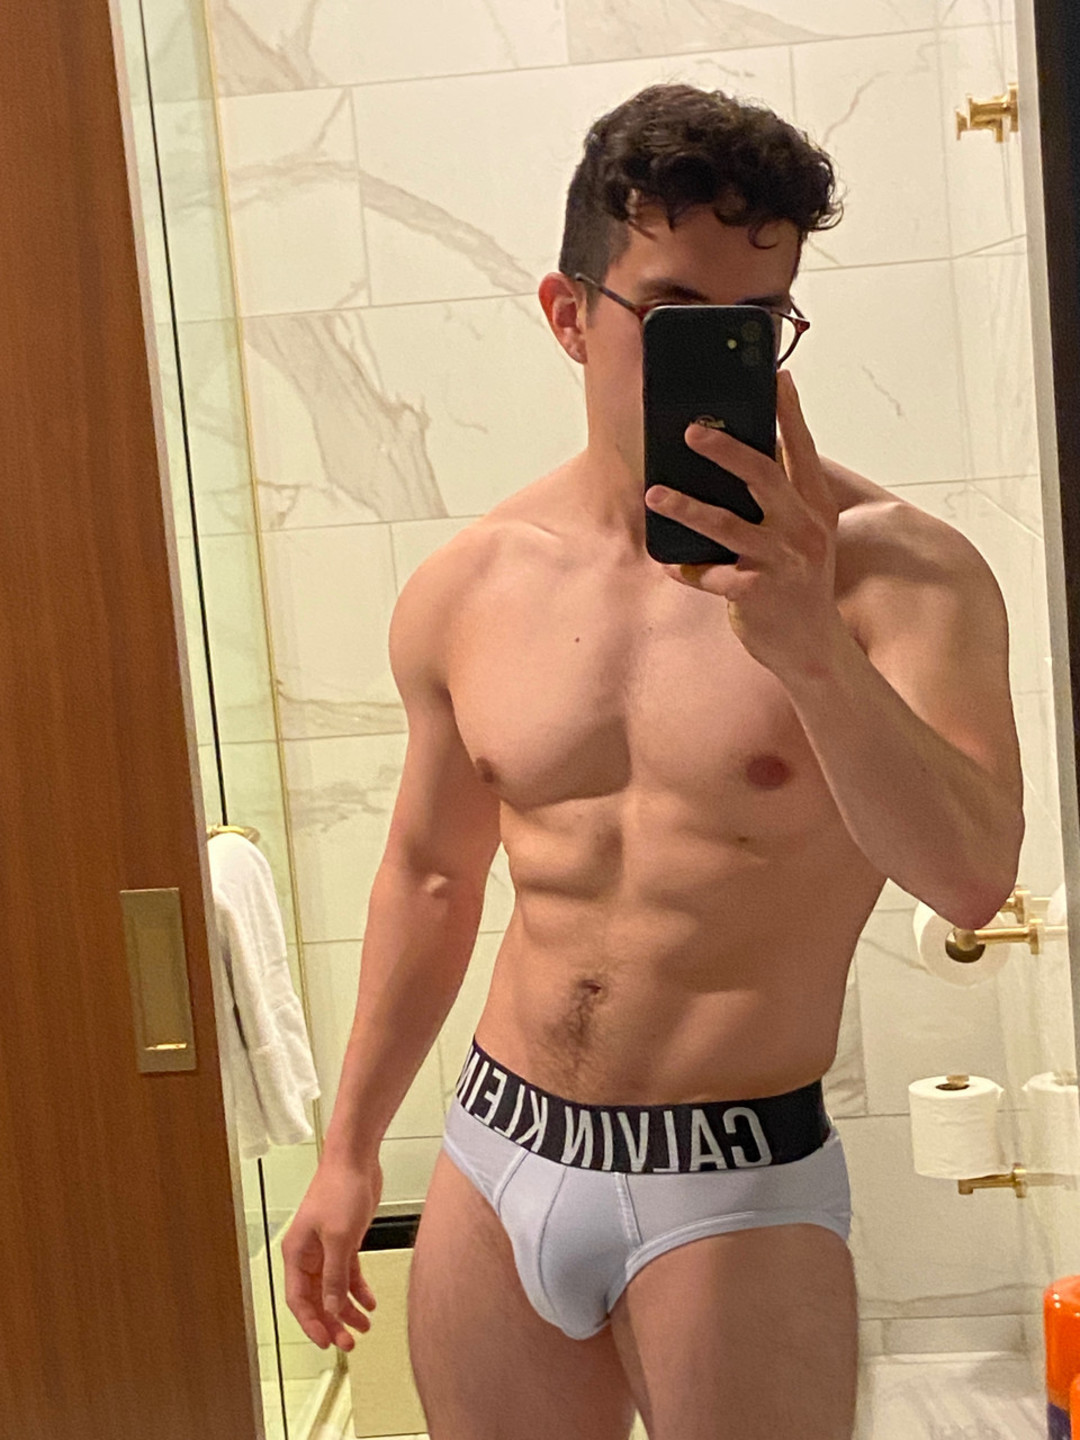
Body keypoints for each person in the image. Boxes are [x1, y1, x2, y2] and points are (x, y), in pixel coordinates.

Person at [282, 83, 1025, 1439]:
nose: (720, 356)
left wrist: (808, 643)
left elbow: (972, 877)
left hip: (732, 1181)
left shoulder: (901, 577)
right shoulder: (471, 586)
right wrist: (346, 1153)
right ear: (569, 315)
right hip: (496, 1153)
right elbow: (430, 878)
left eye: (755, 322)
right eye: (676, 315)